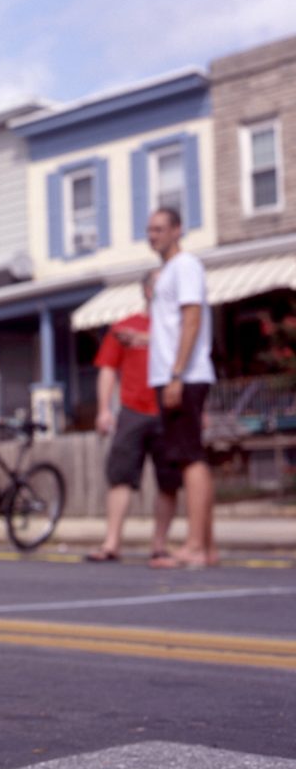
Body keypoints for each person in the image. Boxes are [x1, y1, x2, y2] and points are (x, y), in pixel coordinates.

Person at [87, 272, 180, 562]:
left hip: (169, 410)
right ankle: (112, 543)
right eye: (156, 284)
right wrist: (103, 409)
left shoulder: (178, 328)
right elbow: (107, 369)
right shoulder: (125, 326)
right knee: (120, 475)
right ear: (147, 290)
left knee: (168, 479)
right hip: (133, 409)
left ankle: (159, 544)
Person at [145, 207, 217, 568]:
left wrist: (176, 374)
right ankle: (208, 546)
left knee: (191, 459)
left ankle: (195, 547)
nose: (152, 235)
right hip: (173, 374)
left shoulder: (186, 265)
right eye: (149, 229)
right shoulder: (167, 273)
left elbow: (191, 319)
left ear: (177, 229)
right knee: (189, 457)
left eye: (159, 228)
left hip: (184, 376)